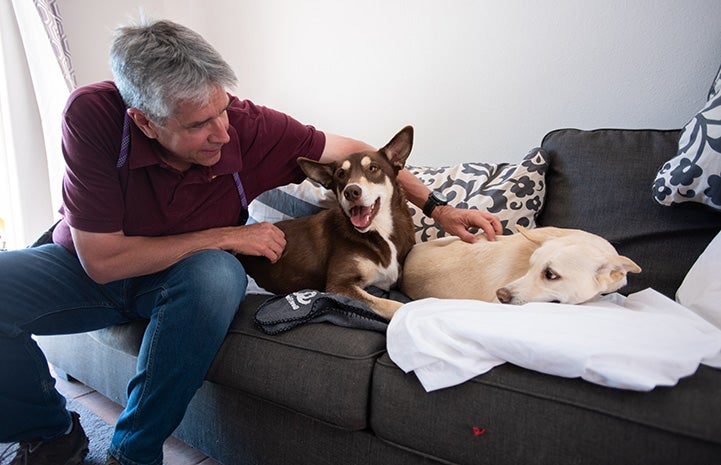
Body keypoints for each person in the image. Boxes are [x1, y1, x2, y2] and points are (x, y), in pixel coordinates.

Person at [0, 18, 502, 465]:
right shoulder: (92, 115)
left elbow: (363, 152)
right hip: (89, 269)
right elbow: (103, 260)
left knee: (218, 273)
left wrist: (438, 207)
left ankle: (133, 452)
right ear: (145, 121)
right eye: (199, 124)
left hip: (182, 278)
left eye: (222, 109)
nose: (223, 132)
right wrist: (228, 234)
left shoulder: (247, 125)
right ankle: (50, 432)